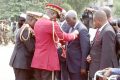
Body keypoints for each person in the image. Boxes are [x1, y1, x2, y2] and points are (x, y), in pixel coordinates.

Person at [31, 3, 79, 80]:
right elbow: (64, 37)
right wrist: (74, 34)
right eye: (56, 16)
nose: (56, 19)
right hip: (48, 61)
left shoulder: (38, 22)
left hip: (37, 59)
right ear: (53, 13)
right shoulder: (52, 24)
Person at [9, 11, 43, 80]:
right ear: (31, 20)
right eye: (36, 21)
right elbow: (31, 48)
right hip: (21, 63)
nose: (37, 23)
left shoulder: (27, 28)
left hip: (22, 63)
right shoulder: (26, 30)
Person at [87, 10, 119, 80]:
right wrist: (90, 55)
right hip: (96, 68)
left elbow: (107, 56)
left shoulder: (108, 31)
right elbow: (97, 47)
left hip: (101, 72)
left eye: (94, 21)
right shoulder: (101, 29)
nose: (93, 23)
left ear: (98, 20)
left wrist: (102, 74)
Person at [64, 10, 90, 80]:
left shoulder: (82, 29)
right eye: (66, 20)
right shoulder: (70, 28)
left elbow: (85, 50)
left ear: (74, 18)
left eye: (68, 20)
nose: (67, 22)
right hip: (71, 65)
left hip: (78, 66)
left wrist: (83, 67)